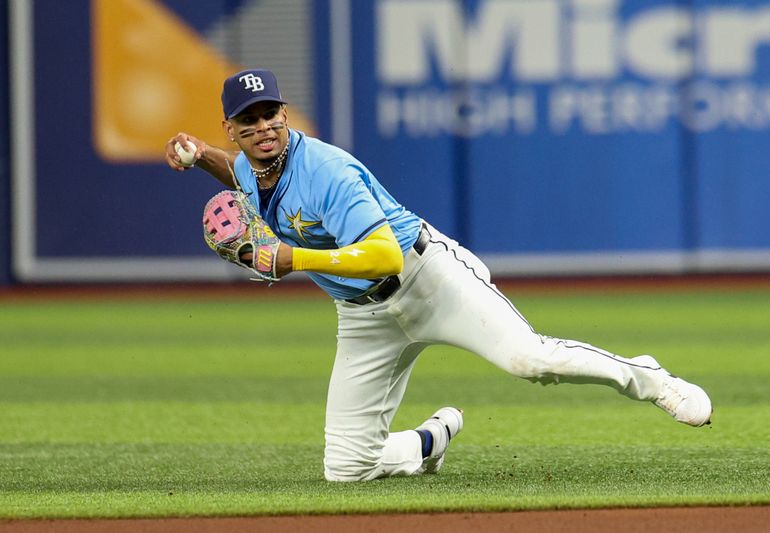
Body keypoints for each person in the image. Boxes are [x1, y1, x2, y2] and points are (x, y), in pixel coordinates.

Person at [165, 68, 713, 482]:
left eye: (270, 114)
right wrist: (197, 155)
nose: (263, 128)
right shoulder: (248, 162)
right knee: (346, 470)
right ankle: (429, 443)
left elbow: (383, 257)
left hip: (429, 279)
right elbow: (234, 167)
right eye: (248, 120)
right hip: (364, 317)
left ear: (286, 112)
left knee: (531, 359)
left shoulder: (327, 172)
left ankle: (650, 379)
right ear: (231, 128)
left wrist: (290, 259)